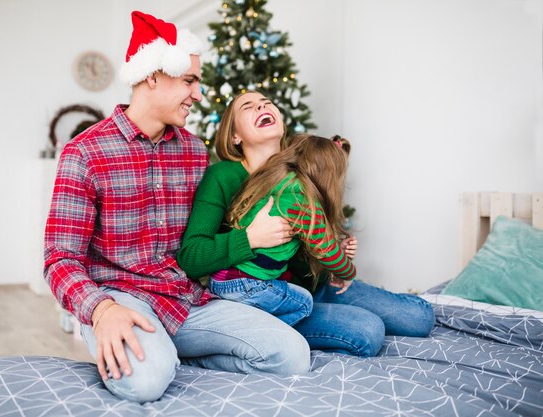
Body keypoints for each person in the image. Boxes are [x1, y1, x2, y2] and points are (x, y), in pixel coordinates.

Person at [44, 12, 310, 404]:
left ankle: (177, 359)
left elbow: (210, 234)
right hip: (122, 298)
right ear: (153, 76)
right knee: (147, 381)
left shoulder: (194, 150)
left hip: (185, 297)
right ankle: (158, 356)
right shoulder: (85, 153)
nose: (198, 95)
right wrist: (100, 310)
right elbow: (59, 257)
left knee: (293, 355)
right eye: (189, 80)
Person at [178, 91, 435, 357]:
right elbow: (190, 257)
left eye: (267, 102)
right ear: (235, 136)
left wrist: (335, 252)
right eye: (248, 106)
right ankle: (268, 333)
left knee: (420, 317)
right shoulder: (222, 176)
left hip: (313, 287)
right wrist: (251, 238)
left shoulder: (303, 170)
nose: (262, 106)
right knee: (368, 331)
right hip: (260, 297)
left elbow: (315, 241)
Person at [208, 134, 357, 327]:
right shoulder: (304, 203)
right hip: (243, 284)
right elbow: (327, 252)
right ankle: (253, 332)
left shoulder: (275, 182)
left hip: (221, 278)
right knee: (303, 303)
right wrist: (348, 275)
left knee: (285, 283)